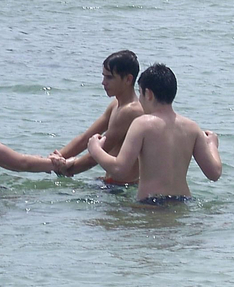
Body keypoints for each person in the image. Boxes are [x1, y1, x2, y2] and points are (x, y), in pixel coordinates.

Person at [81, 63, 220, 204]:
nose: (139, 100)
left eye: (140, 93)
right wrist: (212, 144)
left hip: (151, 202)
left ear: (148, 94)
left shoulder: (142, 124)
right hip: (183, 201)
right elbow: (214, 174)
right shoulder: (192, 127)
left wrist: (95, 149)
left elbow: (119, 168)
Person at [51, 50, 143, 186]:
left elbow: (99, 152)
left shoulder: (130, 111)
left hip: (123, 188)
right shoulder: (116, 104)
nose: (103, 82)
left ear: (128, 79)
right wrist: (57, 157)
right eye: (103, 76)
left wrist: (68, 168)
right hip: (110, 182)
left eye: (109, 77)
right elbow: (85, 138)